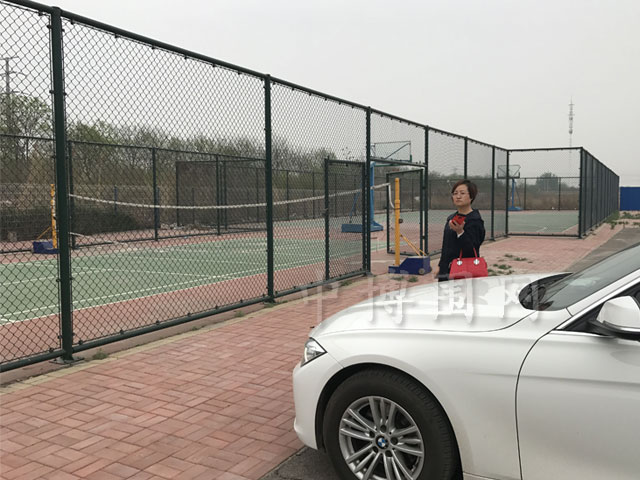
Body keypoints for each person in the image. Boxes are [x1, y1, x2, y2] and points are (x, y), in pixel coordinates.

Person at [433, 180, 486, 282]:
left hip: (464, 271)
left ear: (471, 197)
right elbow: (446, 246)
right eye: (455, 193)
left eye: (462, 193)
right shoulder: (451, 218)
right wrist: (441, 266)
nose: (458, 196)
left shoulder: (475, 220)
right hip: (446, 270)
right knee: (444, 292)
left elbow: (472, 249)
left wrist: (460, 232)